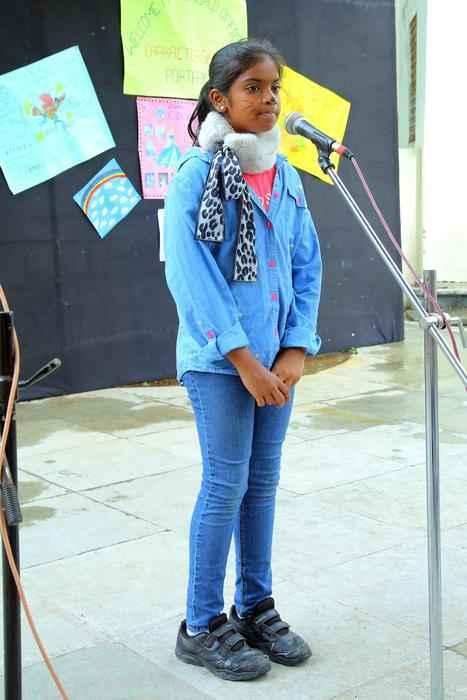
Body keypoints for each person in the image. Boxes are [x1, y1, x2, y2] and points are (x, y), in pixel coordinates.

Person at [164, 38, 322, 682]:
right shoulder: (195, 177)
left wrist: (295, 348)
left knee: (262, 485)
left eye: (274, 87)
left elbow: (307, 264)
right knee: (226, 485)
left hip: (277, 364)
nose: (269, 99)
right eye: (253, 87)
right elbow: (193, 278)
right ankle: (201, 624)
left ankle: (255, 605)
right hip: (219, 364)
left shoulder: (285, 176)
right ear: (220, 99)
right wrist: (245, 362)